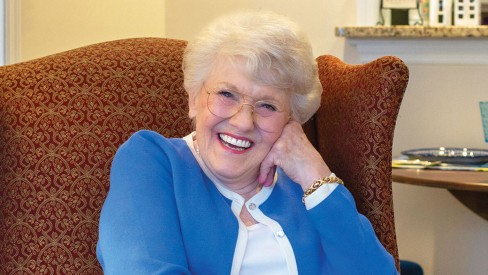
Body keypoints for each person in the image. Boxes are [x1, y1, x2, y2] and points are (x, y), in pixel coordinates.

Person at [96, 11, 398, 275]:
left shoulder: (306, 188)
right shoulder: (153, 161)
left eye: (267, 106)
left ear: (291, 120)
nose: (243, 121)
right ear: (193, 98)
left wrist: (314, 173)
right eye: (227, 94)